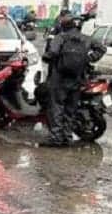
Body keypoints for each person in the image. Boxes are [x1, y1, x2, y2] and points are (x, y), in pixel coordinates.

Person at [41, 15, 106, 147]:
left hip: (59, 79)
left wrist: (46, 57)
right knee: (71, 109)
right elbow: (102, 48)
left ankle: (56, 138)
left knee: (57, 107)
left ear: (63, 26)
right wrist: (89, 59)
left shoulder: (60, 38)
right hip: (77, 79)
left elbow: (52, 52)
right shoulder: (86, 38)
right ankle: (67, 137)